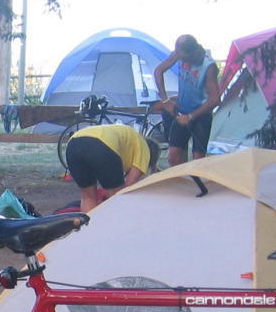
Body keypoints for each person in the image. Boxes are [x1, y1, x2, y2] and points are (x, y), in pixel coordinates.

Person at [153, 33, 220, 166]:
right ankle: (181, 178)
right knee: (174, 156)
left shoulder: (208, 66)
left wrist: (190, 116)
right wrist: (165, 101)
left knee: (198, 159)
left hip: (201, 115)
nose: (181, 60)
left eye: (183, 58)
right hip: (181, 112)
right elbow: (158, 71)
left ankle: (196, 178)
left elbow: (215, 99)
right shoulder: (179, 54)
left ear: (192, 52)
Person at [63, 122, 153, 212]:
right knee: (118, 198)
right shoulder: (145, 149)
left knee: (88, 197)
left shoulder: (130, 139)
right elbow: (129, 187)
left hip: (73, 144)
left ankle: (89, 221)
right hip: (101, 144)